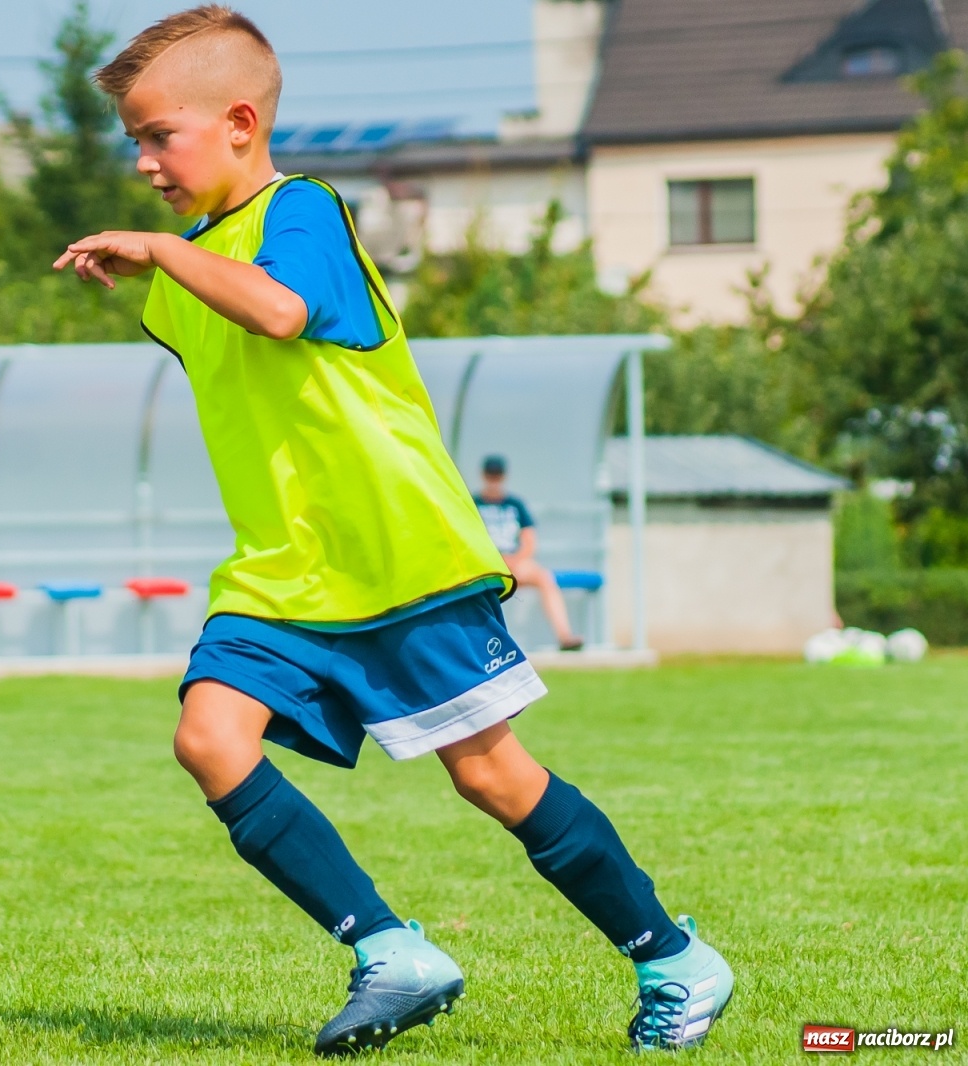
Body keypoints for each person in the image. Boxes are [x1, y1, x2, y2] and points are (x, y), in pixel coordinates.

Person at [54, 6, 731, 1056]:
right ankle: (390, 951)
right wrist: (170, 261)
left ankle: (674, 958)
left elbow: (281, 312)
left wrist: (158, 252)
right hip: (283, 575)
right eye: (133, 142)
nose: (142, 163)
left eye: (159, 136)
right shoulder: (188, 273)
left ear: (240, 122)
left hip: (397, 557)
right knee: (208, 738)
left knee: (492, 776)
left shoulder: (305, 211)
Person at [473, 455, 585, 651]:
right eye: (491, 476)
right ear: (483, 476)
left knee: (544, 578)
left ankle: (565, 636)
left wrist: (514, 561)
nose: (494, 481)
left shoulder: (515, 504)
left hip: (515, 563)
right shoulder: (473, 504)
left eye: (497, 476)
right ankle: (479, 644)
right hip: (484, 564)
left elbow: (529, 541)